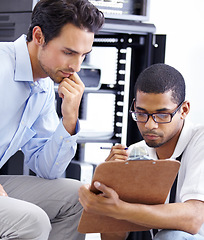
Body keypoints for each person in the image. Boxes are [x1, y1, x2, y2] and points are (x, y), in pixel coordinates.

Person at [0, 0, 104, 239]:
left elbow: (47, 169)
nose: (76, 67)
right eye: (68, 52)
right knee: (31, 220)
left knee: (79, 197)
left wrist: (69, 118)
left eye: (83, 55)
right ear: (39, 36)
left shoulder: (44, 86)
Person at [78, 63, 204, 240]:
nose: (149, 125)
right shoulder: (137, 152)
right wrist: (110, 185)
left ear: (184, 110)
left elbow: (194, 219)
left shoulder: (200, 140)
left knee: (171, 236)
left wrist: (120, 208)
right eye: (141, 113)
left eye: (162, 115)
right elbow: (112, 238)